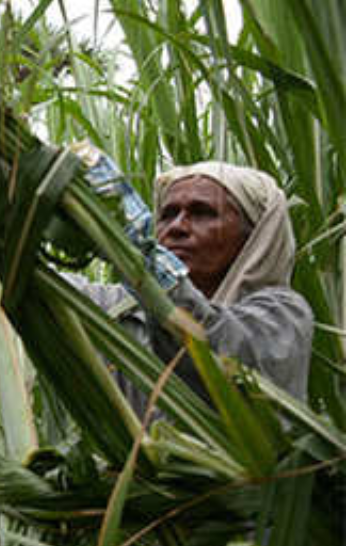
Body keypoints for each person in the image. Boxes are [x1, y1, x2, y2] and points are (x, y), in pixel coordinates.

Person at [67, 155, 313, 416]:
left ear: (254, 236)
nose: (177, 227)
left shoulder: (283, 317)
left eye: (202, 213)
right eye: (168, 214)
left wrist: (132, 251)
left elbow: (205, 345)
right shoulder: (122, 311)